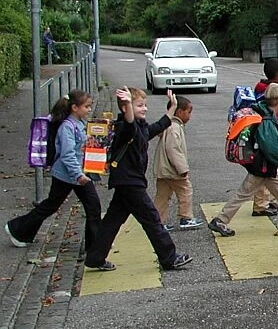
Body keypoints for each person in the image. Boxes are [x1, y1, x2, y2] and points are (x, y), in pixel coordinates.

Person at [84, 87, 194, 271]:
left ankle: (95, 257)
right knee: (152, 219)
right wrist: (127, 103)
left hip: (126, 182)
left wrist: (172, 108)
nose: (145, 109)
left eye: (145, 105)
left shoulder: (139, 127)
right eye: (140, 105)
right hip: (130, 183)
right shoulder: (127, 128)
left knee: (112, 221)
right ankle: (169, 257)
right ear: (127, 108)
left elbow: (156, 128)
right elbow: (130, 124)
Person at [208, 83, 278, 237]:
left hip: (263, 165)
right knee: (244, 193)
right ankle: (220, 220)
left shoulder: (261, 110)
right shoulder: (268, 120)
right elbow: (270, 146)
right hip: (263, 166)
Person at [6, 90, 101, 252]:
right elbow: (67, 154)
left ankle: (19, 229)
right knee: (70, 206)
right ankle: (18, 229)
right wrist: (78, 174)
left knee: (75, 206)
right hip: (67, 175)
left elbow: (79, 146)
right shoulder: (67, 127)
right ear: (74, 108)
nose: (89, 110)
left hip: (74, 174)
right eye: (86, 106)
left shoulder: (79, 123)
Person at [153, 95, 204, 231]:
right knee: (185, 190)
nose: (190, 116)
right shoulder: (174, 127)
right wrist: (182, 168)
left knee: (162, 196)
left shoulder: (167, 125)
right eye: (189, 112)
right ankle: (186, 217)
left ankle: (159, 221)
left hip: (163, 169)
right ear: (180, 112)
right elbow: (173, 149)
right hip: (173, 170)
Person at [251, 58, 278, 217]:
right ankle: (260, 205)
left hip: (272, 134)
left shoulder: (263, 88)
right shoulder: (270, 91)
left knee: (272, 171)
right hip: (268, 136)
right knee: (265, 171)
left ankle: (270, 199)